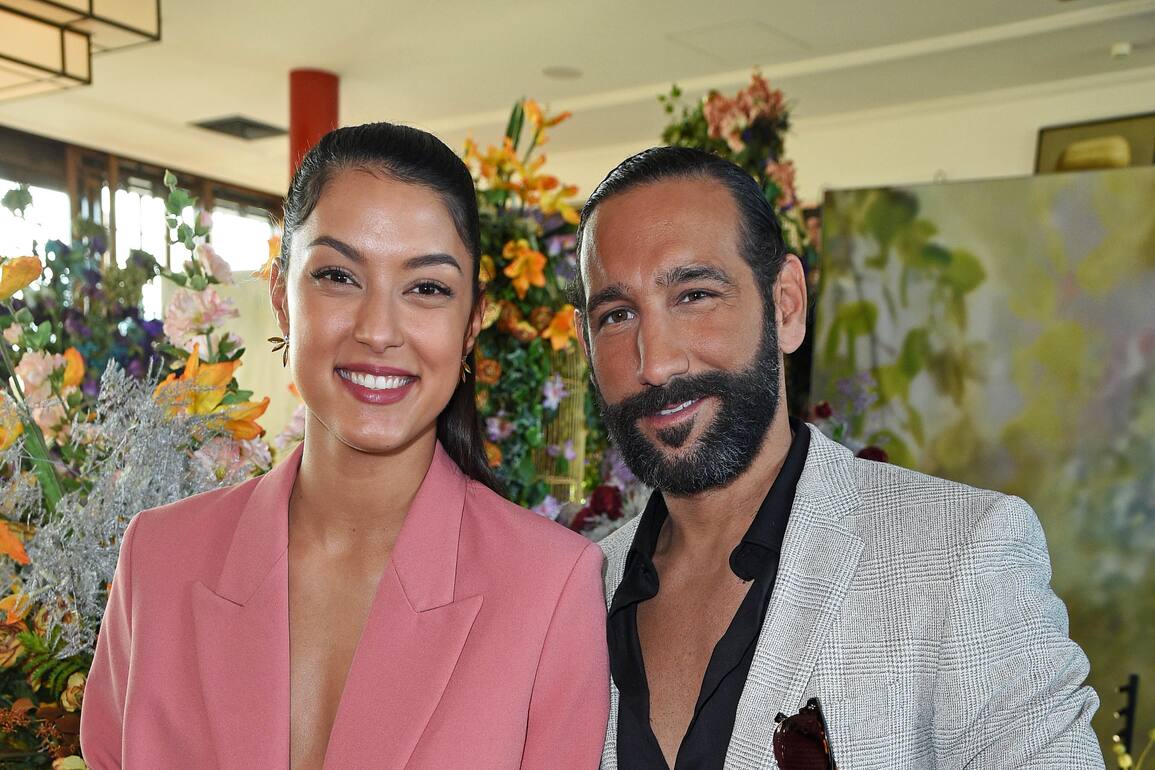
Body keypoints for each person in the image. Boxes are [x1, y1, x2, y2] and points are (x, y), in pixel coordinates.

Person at [80, 122, 609, 769]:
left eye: (427, 288)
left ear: (472, 322)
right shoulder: (159, 560)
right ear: (281, 298)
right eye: (338, 276)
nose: (378, 330)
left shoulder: (548, 590)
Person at [572, 146, 1103, 769]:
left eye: (695, 295)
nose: (656, 362)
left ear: (786, 305)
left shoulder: (960, 555)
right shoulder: (577, 592)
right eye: (617, 315)